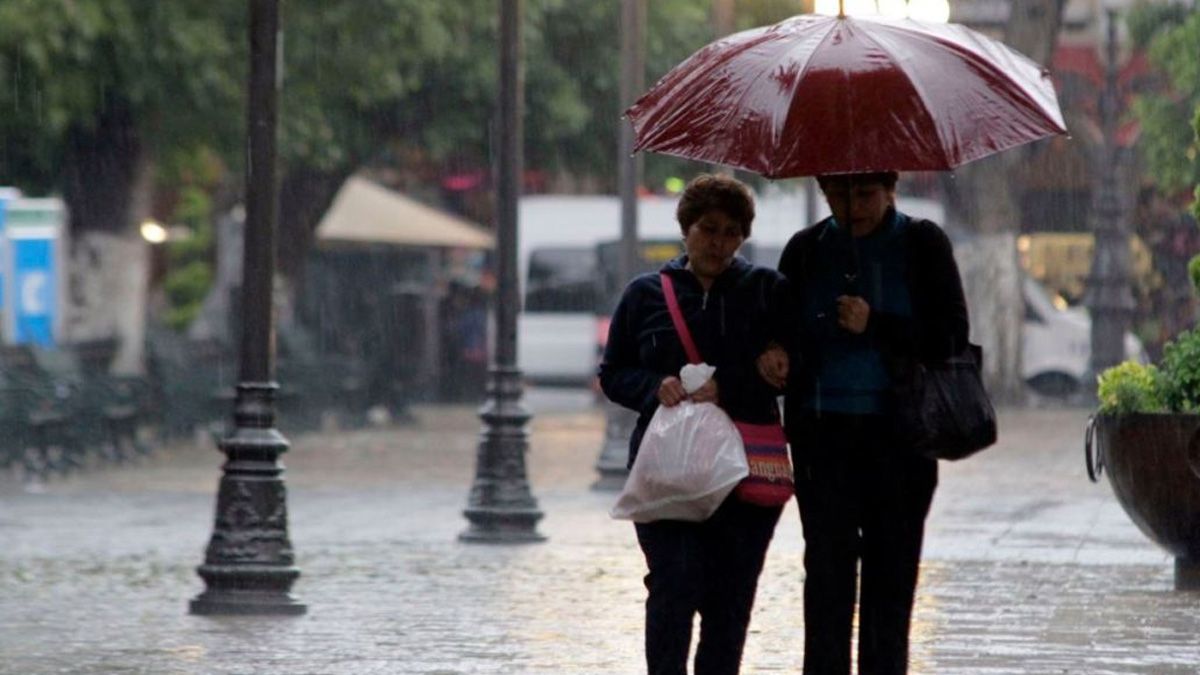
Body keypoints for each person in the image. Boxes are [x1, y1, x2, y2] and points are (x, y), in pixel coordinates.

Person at [757, 171, 969, 675]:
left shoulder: (922, 244)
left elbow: (950, 337)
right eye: (840, 194)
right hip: (823, 440)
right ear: (824, 192)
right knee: (826, 579)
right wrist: (774, 353)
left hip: (901, 441)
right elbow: (780, 326)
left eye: (866, 195)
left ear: (889, 189)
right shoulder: (806, 250)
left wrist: (875, 323)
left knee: (890, 584)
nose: (853, 208)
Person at [599, 174, 792, 675]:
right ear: (686, 229)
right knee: (673, 583)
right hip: (666, 472)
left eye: (732, 232)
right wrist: (653, 387)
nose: (718, 243)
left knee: (729, 603)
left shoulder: (765, 291)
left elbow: (792, 370)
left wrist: (732, 386)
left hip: (743, 475)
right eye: (708, 229)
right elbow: (613, 372)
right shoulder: (644, 295)